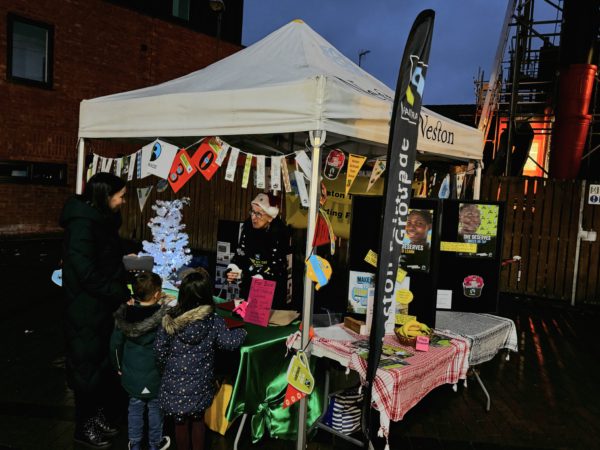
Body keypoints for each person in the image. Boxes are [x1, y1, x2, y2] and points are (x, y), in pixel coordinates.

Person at [59, 172, 131, 448]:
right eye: (120, 196)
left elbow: (104, 258)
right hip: (85, 311)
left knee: (100, 370)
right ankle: (83, 426)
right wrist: (120, 291)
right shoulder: (82, 226)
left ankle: (96, 418)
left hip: (100, 308)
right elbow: (87, 273)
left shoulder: (100, 221)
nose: (123, 201)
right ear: (105, 196)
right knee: (86, 371)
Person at [154, 269, 247, 450]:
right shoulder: (212, 319)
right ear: (206, 295)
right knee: (198, 420)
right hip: (200, 383)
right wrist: (243, 331)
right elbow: (229, 343)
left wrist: (166, 370)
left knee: (179, 423)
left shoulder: (169, 319)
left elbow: (159, 350)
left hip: (174, 384)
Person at [110, 271, 171, 450]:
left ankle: (135, 444)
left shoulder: (124, 317)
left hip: (132, 375)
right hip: (156, 374)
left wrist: (118, 366)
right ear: (157, 294)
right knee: (155, 409)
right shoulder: (164, 318)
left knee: (134, 409)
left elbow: (115, 345)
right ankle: (155, 443)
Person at [226, 193, 291, 309]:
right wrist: (233, 268)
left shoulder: (280, 233)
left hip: (271, 290)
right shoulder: (247, 227)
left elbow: (278, 265)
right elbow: (240, 253)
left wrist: (260, 277)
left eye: (259, 214)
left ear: (270, 217)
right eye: (252, 212)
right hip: (248, 285)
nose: (253, 217)